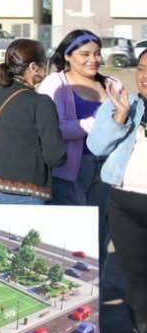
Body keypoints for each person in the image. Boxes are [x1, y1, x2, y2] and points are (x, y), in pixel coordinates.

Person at [88, 52, 147, 333]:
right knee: (136, 278)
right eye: (141, 69)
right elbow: (97, 147)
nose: (144, 76)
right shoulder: (125, 105)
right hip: (125, 203)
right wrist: (121, 114)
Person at [39, 30, 122, 210]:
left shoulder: (112, 84)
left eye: (97, 53)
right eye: (85, 54)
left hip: (108, 168)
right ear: (67, 56)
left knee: (102, 228)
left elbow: (123, 125)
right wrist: (98, 123)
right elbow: (53, 131)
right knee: (73, 232)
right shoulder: (55, 83)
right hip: (69, 172)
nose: (94, 59)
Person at [0, 39, 66, 205]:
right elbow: (55, 156)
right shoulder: (41, 103)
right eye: (45, 62)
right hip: (29, 195)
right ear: (33, 67)